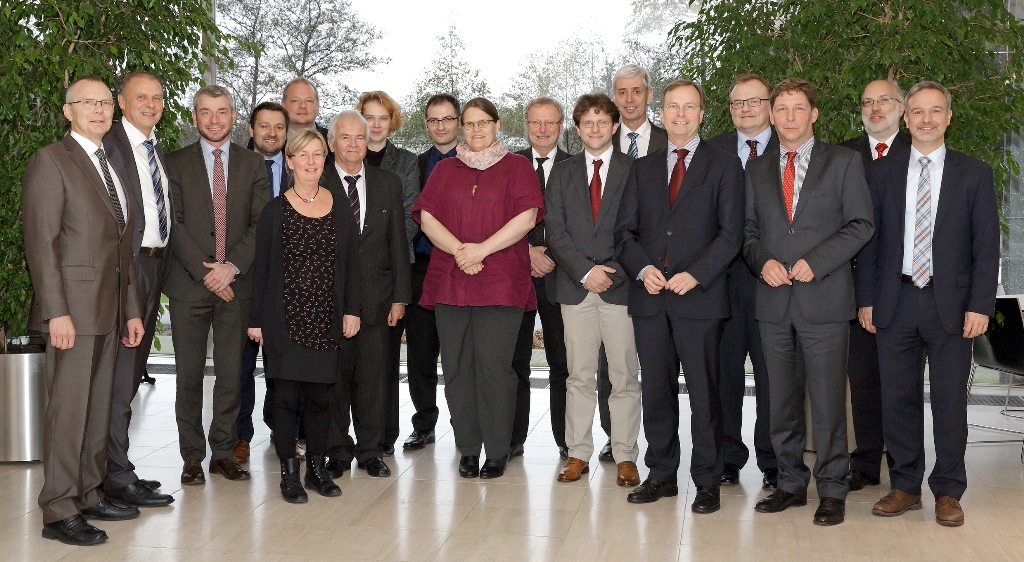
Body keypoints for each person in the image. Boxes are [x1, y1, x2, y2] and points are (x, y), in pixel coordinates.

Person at [857, 81, 999, 527]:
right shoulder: (882, 171)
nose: (926, 120)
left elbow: (985, 246)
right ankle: (904, 486)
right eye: (917, 112)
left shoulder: (973, 172)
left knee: (950, 401)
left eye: (935, 111)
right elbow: (870, 243)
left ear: (948, 117)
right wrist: (866, 300)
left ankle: (948, 490)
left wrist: (980, 305)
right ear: (905, 117)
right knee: (896, 399)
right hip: (894, 300)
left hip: (953, 306)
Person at [744, 78, 873, 526]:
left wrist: (815, 263)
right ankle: (790, 484)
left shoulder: (843, 162)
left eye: (799, 109)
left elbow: (860, 224)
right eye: (782, 109)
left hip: (824, 298)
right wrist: (763, 263)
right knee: (779, 401)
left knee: (827, 402)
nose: (790, 117)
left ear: (814, 114)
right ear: (771, 115)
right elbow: (747, 233)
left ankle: (833, 490)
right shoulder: (756, 169)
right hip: (773, 301)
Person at [23, 76, 144, 545]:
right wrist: (56, 312)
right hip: (72, 312)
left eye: (103, 102)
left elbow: (122, 250)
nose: (97, 110)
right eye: (86, 103)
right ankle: (57, 509)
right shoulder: (51, 161)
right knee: (69, 413)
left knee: (96, 409)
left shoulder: (109, 162)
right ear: (67, 111)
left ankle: (89, 494)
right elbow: (42, 244)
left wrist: (131, 310)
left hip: (110, 311)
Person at [615, 79, 744, 513]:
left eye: (689, 107)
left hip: (700, 298)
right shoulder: (643, 168)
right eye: (673, 107)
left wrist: (697, 274)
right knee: (656, 390)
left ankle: (706, 480)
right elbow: (625, 234)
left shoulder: (725, 166)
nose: (681, 115)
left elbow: (731, 235)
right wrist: (643, 268)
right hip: (651, 298)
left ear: (702, 113)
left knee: (706, 393)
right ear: (663, 112)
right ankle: (662, 474)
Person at [413, 97, 543, 480]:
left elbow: (528, 216)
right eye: (469, 124)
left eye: (483, 122)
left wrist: (482, 250)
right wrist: (459, 251)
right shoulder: (445, 169)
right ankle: (468, 448)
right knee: (455, 368)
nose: (476, 130)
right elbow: (427, 217)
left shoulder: (518, 167)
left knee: (495, 369)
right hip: (450, 281)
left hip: (501, 281)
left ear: (497, 124)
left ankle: (498, 449)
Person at [164, 85, 270, 486]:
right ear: (195, 117)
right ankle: (191, 456)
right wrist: (208, 271)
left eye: (221, 111)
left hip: (236, 287)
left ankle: (223, 452)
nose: (214, 119)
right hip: (190, 286)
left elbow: (261, 223)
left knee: (230, 376)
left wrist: (232, 268)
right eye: (205, 112)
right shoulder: (172, 162)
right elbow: (172, 222)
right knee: (188, 376)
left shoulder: (252, 164)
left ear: (233, 116)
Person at [248, 129, 362, 503]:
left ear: (324, 160)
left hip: (326, 318)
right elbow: (261, 269)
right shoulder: (274, 210)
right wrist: (256, 320)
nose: (311, 162)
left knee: (320, 400)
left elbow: (351, 264)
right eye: (303, 155)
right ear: (291, 161)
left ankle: (316, 469)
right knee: (286, 399)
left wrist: (352, 310)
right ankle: (289, 473)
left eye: (317, 154)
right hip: (284, 320)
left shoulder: (339, 204)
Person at [545, 93, 641, 487]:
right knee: (579, 376)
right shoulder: (562, 172)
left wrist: (612, 272)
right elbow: (556, 232)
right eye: (588, 123)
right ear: (578, 128)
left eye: (603, 122)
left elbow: (639, 229)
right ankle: (577, 453)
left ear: (615, 126)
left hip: (620, 289)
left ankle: (625, 456)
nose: (596, 129)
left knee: (623, 376)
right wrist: (586, 273)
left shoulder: (634, 170)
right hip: (575, 288)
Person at [99, 71, 175, 508]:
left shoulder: (151, 147)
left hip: (154, 269)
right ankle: (114, 475)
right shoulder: (110, 146)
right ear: (121, 104)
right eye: (140, 97)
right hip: (127, 272)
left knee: (129, 375)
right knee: (119, 376)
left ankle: (118, 466)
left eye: (157, 97)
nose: (150, 104)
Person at [322, 110, 411, 478]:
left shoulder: (387, 182)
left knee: (374, 381)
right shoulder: (316, 181)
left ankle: (371, 450)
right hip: (329, 301)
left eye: (360, 137)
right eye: (345, 137)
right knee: (335, 380)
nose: (354, 144)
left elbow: (397, 243)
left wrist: (400, 297)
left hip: (378, 298)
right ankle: (338, 450)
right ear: (331, 143)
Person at [705, 74, 780, 490]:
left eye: (754, 101)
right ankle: (728, 457)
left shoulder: (789, 146)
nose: (746, 109)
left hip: (775, 281)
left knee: (774, 376)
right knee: (724, 374)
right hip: (721, 283)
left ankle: (773, 460)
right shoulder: (712, 150)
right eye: (737, 103)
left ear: (770, 106)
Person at [839, 79, 911, 492]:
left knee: (899, 384)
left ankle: (904, 468)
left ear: (901, 107)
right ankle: (865, 462)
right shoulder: (842, 154)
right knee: (863, 379)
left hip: (904, 287)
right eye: (868, 102)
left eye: (884, 100)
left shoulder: (917, 152)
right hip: (853, 286)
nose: (875, 108)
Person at [356, 90, 420, 456]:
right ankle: (350, 436)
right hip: (348, 274)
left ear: (391, 121)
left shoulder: (406, 163)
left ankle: (383, 436)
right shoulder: (342, 158)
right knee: (348, 360)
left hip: (392, 271)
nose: (375, 124)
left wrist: (379, 257)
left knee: (384, 359)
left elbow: (410, 218)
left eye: (382, 117)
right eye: (369, 117)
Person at [511, 97, 572, 459]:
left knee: (562, 362)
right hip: (516, 276)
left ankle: (567, 440)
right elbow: (497, 220)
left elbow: (580, 224)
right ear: (526, 124)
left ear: (561, 125)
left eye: (550, 122)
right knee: (514, 361)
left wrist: (550, 255)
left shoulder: (576, 166)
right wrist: (526, 253)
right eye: (536, 122)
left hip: (561, 276)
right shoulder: (508, 165)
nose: (543, 129)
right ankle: (513, 438)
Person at [403, 94, 461, 451]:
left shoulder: (476, 160)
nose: (441, 126)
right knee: (421, 354)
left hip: (464, 266)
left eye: (447, 119)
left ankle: (463, 425)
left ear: (458, 121)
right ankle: (424, 423)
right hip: (423, 268)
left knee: (458, 354)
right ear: (426, 124)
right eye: (433, 120)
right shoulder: (417, 165)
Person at [235, 101, 291, 464]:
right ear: (251, 130)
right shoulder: (235, 168)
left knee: (283, 365)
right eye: (264, 126)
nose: (271, 134)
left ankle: (283, 430)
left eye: (279, 127)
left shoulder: (302, 166)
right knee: (240, 364)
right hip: (245, 280)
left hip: (289, 284)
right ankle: (240, 436)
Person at [611, 64, 668, 158]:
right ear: (614, 98)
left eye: (636, 92)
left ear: (649, 95)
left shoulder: (669, 141)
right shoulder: (603, 143)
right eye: (622, 93)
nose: (629, 99)